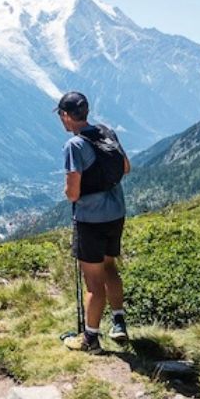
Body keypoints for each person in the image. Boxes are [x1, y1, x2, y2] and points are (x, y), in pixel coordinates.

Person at [55, 91, 131, 352]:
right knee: (110, 267)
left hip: (90, 219)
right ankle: (118, 322)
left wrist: (69, 194)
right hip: (116, 212)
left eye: (61, 116)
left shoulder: (74, 146)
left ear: (66, 115)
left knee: (93, 283)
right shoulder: (106, 132)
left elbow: (73, 192)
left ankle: (90, 339)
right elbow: (126, 167)